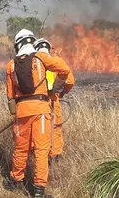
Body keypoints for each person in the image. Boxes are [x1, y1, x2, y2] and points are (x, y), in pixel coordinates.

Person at [5, 29, 71, 198]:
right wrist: (55, 87)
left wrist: (18, 110)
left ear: (18, 44)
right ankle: (39, 191)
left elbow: (10, 96)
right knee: (41, 150)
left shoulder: (11, 65)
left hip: (21, 112)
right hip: (41, 111)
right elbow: (64, 70)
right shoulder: (41, 57)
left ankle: (15, 181)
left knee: (21, 149)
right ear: (31, 41)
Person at [33, 38, 75, 161]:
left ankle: (40, 154)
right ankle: (56, 155)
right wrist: (62, 93)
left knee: (39, 128)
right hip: (53, 99)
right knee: (55, 126)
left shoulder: (34, 63)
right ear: (49, 49)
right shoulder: (56, 61)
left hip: (38, 101)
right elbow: (70, 81)